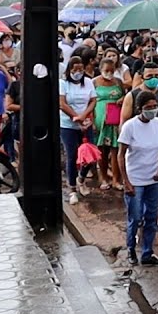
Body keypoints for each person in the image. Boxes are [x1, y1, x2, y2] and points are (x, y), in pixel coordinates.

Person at [119, 90, 158, 267]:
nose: (152, 110)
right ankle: (131, 249)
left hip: (153, 178)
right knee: (135, 217)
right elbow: (121, 154)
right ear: (139, 109)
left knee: (151, 217)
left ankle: (148, 252)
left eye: (155, 106)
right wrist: (126, 181)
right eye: (148, 107)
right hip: (135, 179)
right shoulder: (130, 127)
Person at [59, 55, 96, 205]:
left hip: (86, 123)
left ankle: (81, 178)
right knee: (72, 155)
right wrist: (76, 117)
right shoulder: (63, 83)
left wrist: (85, 116)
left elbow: (93, 100)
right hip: (68, 125)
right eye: (75, 70)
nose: (78, 73)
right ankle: (72, 189)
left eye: (81, 69)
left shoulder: (88, 82)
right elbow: (62, 104)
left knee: (91, 155)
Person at [94, 57, 127, 190]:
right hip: (100, 119)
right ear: (101, 69)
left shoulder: (118, 82)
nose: (109, 73)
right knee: (101, 149)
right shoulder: (94, 82)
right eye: (106, 70)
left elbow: (125, 95)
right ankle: (103, 178)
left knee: (115, 149)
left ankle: (116, 179)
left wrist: (122, 99)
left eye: (112, 71)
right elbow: (89, 100)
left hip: (115, 119)